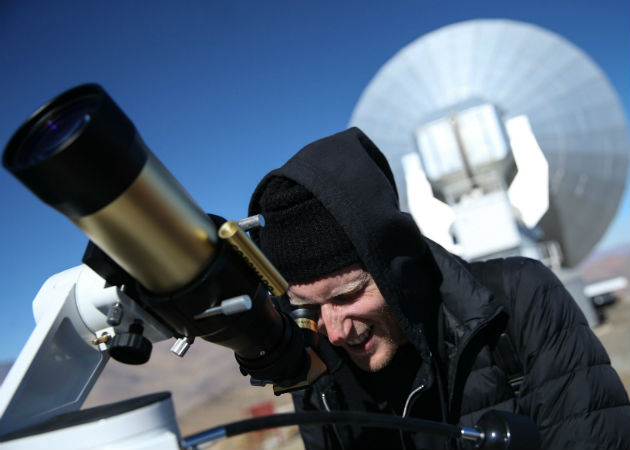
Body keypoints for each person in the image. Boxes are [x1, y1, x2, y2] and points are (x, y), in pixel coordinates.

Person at [247, 127, 630, 450]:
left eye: (348, 295)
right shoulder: (315, 359)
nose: (334, 331)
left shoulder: (520, 298)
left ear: (395, 265)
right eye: (308, 307)